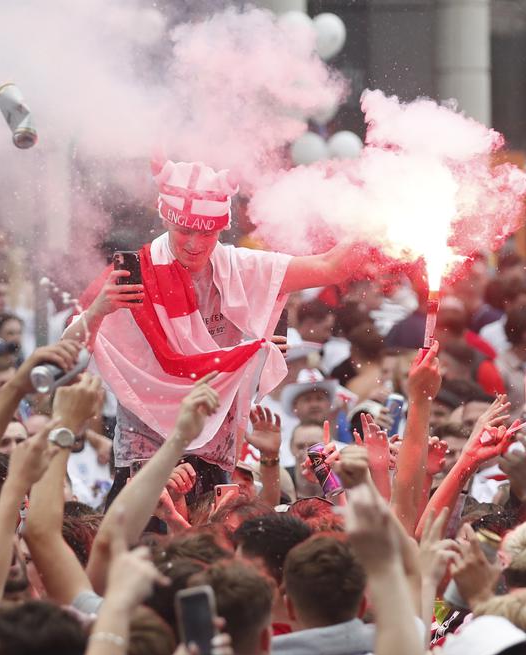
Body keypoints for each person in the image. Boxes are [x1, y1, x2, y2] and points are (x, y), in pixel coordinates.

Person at [62, 158, 369, 498]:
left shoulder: (241, 266)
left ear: (221, 229)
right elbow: (66, 356)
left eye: (207, 233)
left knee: (215, 546)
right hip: (146, 449)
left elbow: (329, 267)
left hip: (212, 446)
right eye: (185, 231)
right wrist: (98, 310)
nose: (195, 243)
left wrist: (377, 222)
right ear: (166, 219)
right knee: (141, 549)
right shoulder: (135, 273)